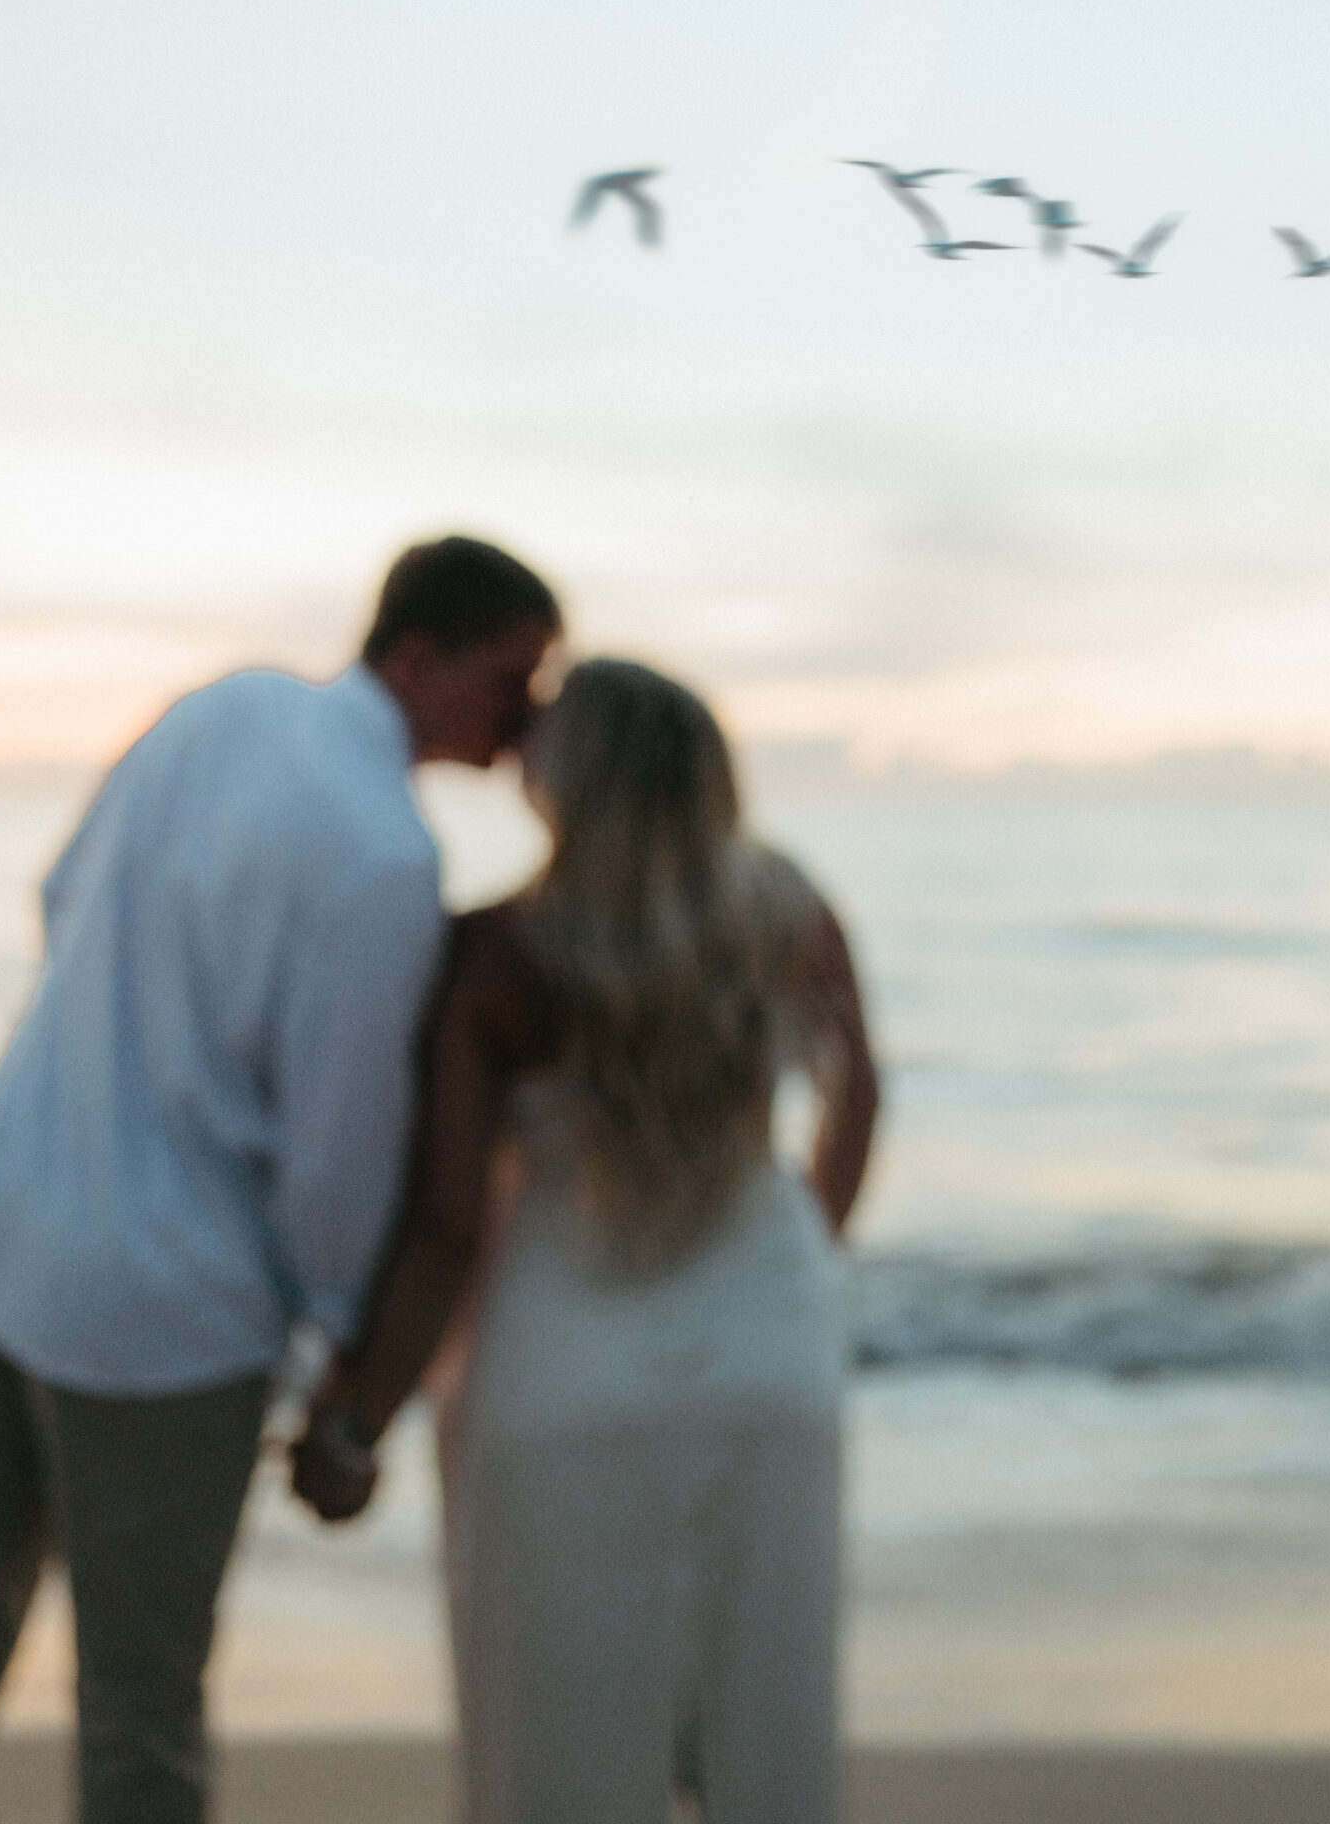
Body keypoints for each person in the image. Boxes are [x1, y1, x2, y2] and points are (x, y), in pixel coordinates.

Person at [0, 535, 561, 1824]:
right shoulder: (384, 856)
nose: (526, 716)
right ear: (417, 656)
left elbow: (61, 899)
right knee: (142, 1708)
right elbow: (336, 1148)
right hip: (156, 1317)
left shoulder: (220, 705)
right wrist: (343, 1338)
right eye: (512, 678)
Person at [293, 657, 880, 1824]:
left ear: (565, 783)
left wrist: (356, 1417)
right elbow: (856, 1100)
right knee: (766, 1753)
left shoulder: (497, 951)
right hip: (770, 1354)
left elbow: (450, 1220)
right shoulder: (790, 911)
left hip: (559, 1365)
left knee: (556, 1759)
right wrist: (794, 1257)